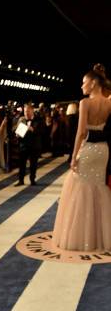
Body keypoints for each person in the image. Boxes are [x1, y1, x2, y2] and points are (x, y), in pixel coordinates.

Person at [52, 64, 111, 251]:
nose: (82, 86)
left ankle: (83, 237)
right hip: (103, 150)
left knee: (80, 190)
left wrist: (73, 156)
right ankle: (101, 236)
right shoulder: (110, 102)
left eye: (84, 82)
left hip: (88, 149)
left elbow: (81, 132)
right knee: (99, 189)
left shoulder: (85, 103)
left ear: (93, 83)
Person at [14, 103, 43, 186]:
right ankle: (21, 180)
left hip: (34, 146)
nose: (26, 113)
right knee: (22, 164)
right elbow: (17, 130)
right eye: (25, 111)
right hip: (23, 146)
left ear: (32, 110)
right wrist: (17, 134)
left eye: (28, 111)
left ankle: (32, 180)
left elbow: (42, 131)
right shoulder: (21, 119)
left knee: (33, 165)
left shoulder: (39, 119)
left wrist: (32, 129)